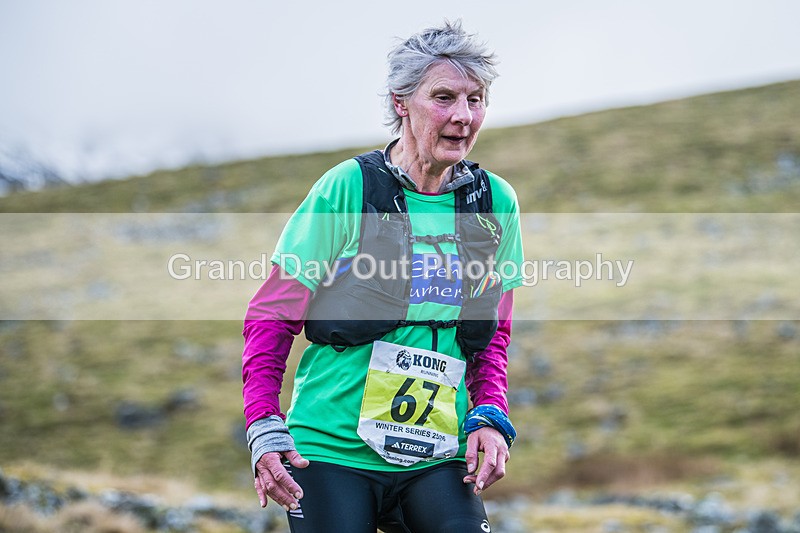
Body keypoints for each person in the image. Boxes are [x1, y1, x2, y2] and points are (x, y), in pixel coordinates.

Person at [242, 20, 524, 533]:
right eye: (444, 97)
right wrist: (264, 424)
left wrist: (490, 414)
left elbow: (494, 335)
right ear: (400, 103)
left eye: (476, 99)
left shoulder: (494, 203)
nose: (464, 115)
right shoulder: (347, 188)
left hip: (438, 452)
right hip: (330, 451)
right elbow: (272, 313)